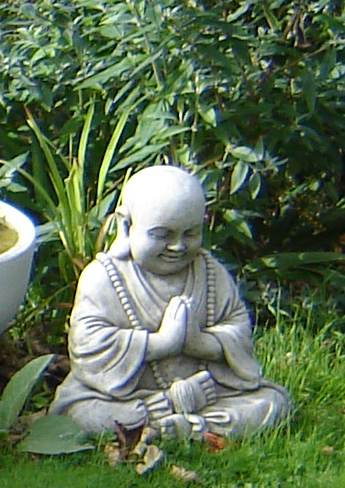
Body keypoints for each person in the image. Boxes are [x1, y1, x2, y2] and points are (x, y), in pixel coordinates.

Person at [49, 165, 292, 442]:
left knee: (273, 403)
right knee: (82, 414)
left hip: (208, 391)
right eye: (162, 235)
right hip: (127, 396)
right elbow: (87, 346)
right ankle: (169, 417)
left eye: (190, 234)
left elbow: (238, 329)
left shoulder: (211, 273)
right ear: (126, 225)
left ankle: (186, 426)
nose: (177, 246)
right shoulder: (104, 277)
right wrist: (163, 343)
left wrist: (198, 343)